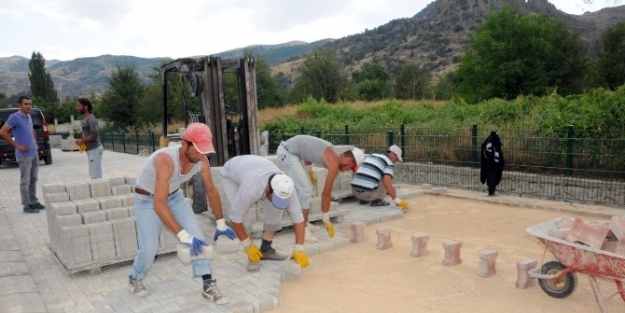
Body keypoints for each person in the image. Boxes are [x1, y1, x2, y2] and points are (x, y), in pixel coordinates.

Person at [128, 123, 235, 305]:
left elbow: (211, 190)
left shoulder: (202, 160)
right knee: (149, 249)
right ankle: (135, 277)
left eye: (205, 151)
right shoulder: (165, 160)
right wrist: (183, 236)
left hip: (175, 196)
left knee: (198, 238)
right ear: (185, 144)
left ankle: (207, 284)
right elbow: (159, 204)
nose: (202, 155)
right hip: (147, 200)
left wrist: (220, 223)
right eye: (198, 150)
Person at [220, 155, 309, 269]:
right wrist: (247, 245)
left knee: (277, 208)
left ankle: (265, 250)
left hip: (255, 168)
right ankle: (252, 255)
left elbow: (298, 219)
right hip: (231, 174)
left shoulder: (286, 187)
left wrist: (299, 248)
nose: (279, 201)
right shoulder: (251, 189)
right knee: (243, 215)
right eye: (276, 198)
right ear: (268, 189)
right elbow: (235, 218)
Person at [277, 135, 364, 242]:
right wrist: (326, 218)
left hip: (292, 150)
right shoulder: (334, 163)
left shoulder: (334, 151)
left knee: (307, 189)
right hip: (287, 153)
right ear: (348, 160)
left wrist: (310, 171)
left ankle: (305, 223)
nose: (347, 170)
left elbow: (308, 151)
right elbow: (326, 193)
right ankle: (302, 229)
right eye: (350, 167)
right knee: (306, 190)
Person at [0, 96, 44, 214]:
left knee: (33, 179)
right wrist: (17, 145)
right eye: (26, 104)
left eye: (30, 104)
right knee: (25, 180)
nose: (28, 106)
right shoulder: (14, 117)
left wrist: (35, 143)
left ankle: (34, 202)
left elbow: (32, 130)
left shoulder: (29, 116)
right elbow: (3, 131)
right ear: (20, 105)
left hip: (33, 153)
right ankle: (26, 205)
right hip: (23, 155)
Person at [351, 145, 408, 211]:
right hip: (368, 194)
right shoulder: (389, 164)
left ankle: (364, 200)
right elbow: (387, 183)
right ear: (393, 154)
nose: (396, 161)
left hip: (355, 193)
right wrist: (396, 200)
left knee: (371, 173)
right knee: (386, 178)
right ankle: (378, 201)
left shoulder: (372, 155)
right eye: (397, 159)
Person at [75, 97, 103, 179]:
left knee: (96, 176)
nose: (77, 108)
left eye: (79, 106)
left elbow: (94, 135)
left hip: (95, 149)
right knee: (93, 174)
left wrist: (82, 140)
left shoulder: (91, 119)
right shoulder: (85, 119)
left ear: (86, 107)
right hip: (91, 150)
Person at [480, 131, 505, 196]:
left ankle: (491, 190)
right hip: (494, 165)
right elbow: (499, 153)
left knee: (490, 177)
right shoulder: (495, 143)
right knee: (493, 176)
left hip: (489, 164)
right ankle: (491, 190)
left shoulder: (488, 142)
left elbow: (484, 150)